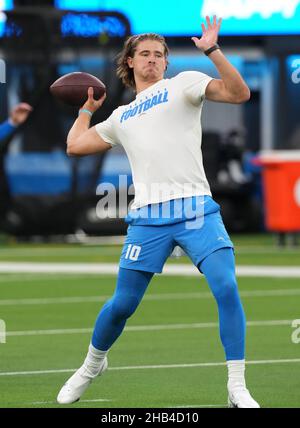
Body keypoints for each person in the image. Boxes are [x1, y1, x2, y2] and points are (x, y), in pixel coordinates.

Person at [57, 16, 260, 408]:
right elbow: (75, 146)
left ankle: (237, 385)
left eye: (158, 55)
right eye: (144, 54)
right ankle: (91, 365)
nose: (152, 60)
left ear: (166, 62)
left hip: (196, 208)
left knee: (226, 286)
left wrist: (213, 51)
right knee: (123, 305)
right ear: (130, 62)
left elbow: (239, 93)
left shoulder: (182, 84)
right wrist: (86, 109)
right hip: (148, 216)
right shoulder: (120, 116)